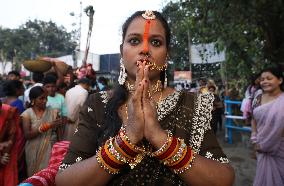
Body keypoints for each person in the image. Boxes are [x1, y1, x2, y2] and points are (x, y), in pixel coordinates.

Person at [55, 10, 234, 186]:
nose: (145, 50)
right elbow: (65, 179)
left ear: (167, 54)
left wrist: (158, 136)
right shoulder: (98, 103)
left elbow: (224, 178)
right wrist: (128, 138)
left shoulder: (193, 104)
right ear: (121, 51)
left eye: (156, 42)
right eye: (134, 41)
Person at [250, 67, 284, 186]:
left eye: (269, 78)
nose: (264, 81)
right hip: (259, 146)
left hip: (279, 149)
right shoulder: (258, 96)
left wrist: (265, 145)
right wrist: (255, 140)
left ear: (279, 80)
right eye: (262, 79)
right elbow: (254, 118)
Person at [21, 86, 64, 177]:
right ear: (33, 100)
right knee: (35, 176)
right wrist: (48, 126)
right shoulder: (27, 114)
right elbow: (27, 135)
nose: (45, 101)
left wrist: (60, 150)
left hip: (51, 149)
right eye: (41, 98)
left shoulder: (54, 112)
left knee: (49, 176)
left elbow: (60, 134)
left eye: (46, 98)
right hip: (32, 149)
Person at [0, 100, 21, 186]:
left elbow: (12, 134)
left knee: (7, 176)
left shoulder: (8, 111)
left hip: (5, 150)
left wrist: (5, 155)